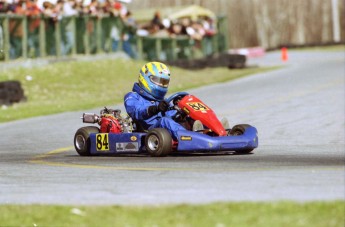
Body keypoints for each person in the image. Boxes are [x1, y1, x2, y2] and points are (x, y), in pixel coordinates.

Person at [124, 62, 187, 140]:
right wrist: (155, 109)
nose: (161, 84)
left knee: (188, 117)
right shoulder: (132, 96)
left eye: (164, 82)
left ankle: (203, 132)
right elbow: (136, 112)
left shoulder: (161, 100)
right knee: (164, 121)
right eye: (157, 80)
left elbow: (171, 115)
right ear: (145, 78)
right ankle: (187, 139)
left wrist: (180, 112)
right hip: (149, 130)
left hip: (164, 130)